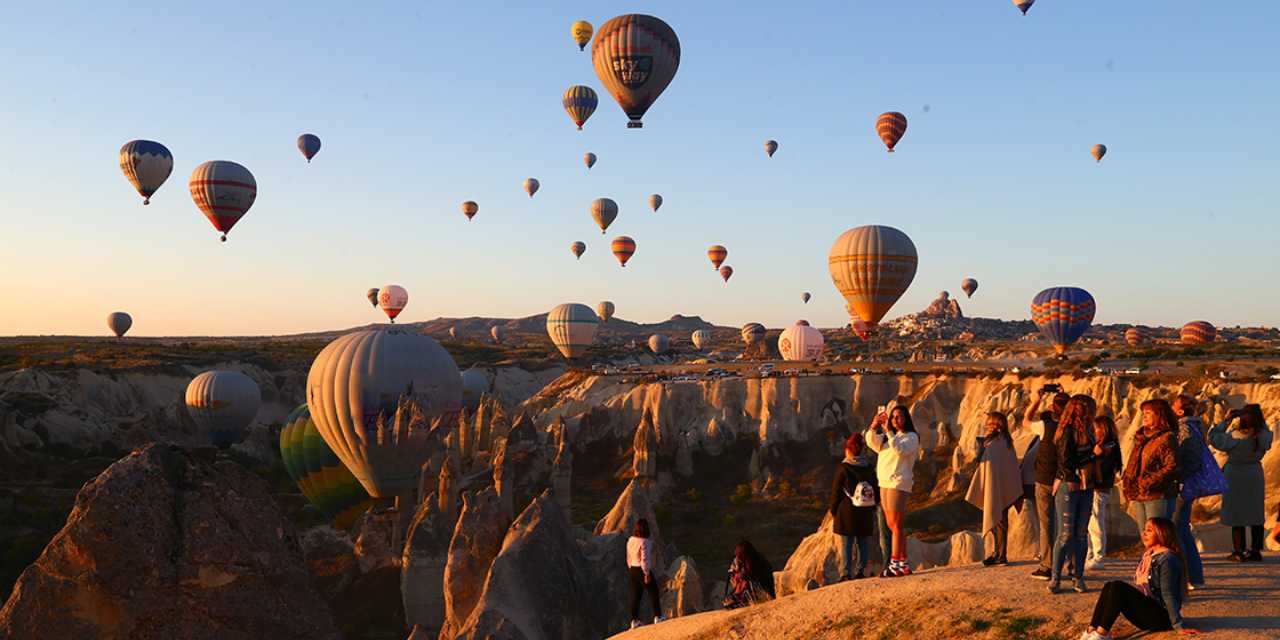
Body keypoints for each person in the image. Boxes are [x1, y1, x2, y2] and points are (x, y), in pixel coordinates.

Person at [1078, 517, 1198, 639]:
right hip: (1148, 612)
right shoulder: (1149, 555)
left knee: (1119, 587)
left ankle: (1101, 635)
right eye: (1144, 529)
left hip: (1162, 618)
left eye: (1149, 530)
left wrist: (1178, 625)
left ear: (1162, 533)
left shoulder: (1167, 559)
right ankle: (1091, 630)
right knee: (1110, 585)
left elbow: (1168, 594)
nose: (1144, 533)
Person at [1208, 404, 1274, 562]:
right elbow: (1264, 430)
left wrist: (1227, 420)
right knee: (1255, 512)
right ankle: (1256, 551)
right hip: (1254, 474)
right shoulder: (1263, 436)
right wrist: (1259, 420)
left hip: (1234, 474)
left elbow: (1213, 436)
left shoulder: (1234, 436)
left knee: (1237, 513)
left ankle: (1239, 551)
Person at [1049, 394, 1097, 594]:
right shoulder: (1067, 431)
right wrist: (1094, 454)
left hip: (1086, 485)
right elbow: (1065, 460)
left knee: (1080, 534)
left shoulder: (1088, 430)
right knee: (1066, 534)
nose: (1089, 413)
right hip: (1070, 486)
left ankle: (1078, 576)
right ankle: (1056, 577)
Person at [866, 404, 921, 577]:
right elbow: (871, 442)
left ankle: (895, 564)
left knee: (896, 525)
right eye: (893, 417)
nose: (895, 420)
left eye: (899, 417)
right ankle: (902, 564)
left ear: (906, 419)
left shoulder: (911, 437)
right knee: (891, 525)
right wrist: (874, 426)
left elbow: (900, 450)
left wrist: (889, 432)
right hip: (884, 482)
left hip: (899, 483)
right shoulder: (888, 438)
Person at [1023, 389, 1071, 580]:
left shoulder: (1046, 425)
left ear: (1054, 407)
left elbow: (1025, 421)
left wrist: (1036, 401)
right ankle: (1068, 564)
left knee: (1047, 524)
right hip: (1066, 479)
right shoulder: (1072, 427)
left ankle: (1047, 566)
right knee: (1065, 523)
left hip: (1045, 479)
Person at [966, 411, 1023, 566]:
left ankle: (1001, 555)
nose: (988, 426)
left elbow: (992, 466)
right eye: (988, 424)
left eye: (992, 424)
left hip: (997, 488)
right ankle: (997, 553)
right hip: (1000, 487)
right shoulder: (1002, 442)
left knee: (999, 521)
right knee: (998, 522)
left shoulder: (997, 444)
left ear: (999, 426)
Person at [1122, 399, 1179, 529]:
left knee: (1158, 534)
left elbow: (1172, 466)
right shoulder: (1142, 437)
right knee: (1145, 535)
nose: (1144, 416)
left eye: (1148, 413)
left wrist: (1148, 482)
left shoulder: (1167, 438)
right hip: (1139, 493)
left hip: (1157, 494)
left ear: (1159, 415)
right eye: (1143, 413)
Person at [828, 433, 878, 580]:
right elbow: (876, 487)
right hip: (865, 510)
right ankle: (861, 571)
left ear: (849, 449)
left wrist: (834, 510)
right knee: (863, 542)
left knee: (847, 544)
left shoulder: (844, 468)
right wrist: (873, 507)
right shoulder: (868, 467)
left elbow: (836, 491)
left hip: (847, 511)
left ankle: (846, 573)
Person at [1172, 395, 1208, 587]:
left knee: (1178, 531)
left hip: (1182, 484)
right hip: (1188, 483)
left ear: (1180, 411)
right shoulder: (1195, 426)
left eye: (1174, 406)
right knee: (1183, 529)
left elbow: (1188, 459)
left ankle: (1188, 577)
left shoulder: (1184, 428)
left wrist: (1178, 478)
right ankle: (1194, 576)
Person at [1085, 414, 1123, 570]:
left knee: (1095, 522)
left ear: (1103, 429)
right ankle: (1089, 554)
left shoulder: (1108, 447)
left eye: (1096, 428)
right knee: (1090, 523)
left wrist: (1095, 455)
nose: (1093, 431)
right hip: (1097, 488)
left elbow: (1103, 469)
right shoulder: (1108, 445)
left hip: (1098, 489)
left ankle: (1099, 557)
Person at [626, 519, 663, 629]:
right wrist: (646, 573)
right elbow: (645, 559)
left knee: (635, 596)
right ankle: (658, 616)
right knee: (654, 592)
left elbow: (628, 556)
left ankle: (634, 621)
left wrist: (631, 568)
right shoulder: (645, 542)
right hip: (642, 570)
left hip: (632, 569)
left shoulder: (631, 540)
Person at [722, 540, 775, 609]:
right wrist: (735, 574)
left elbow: (749, 575)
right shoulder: (739, 561)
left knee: (745, 580)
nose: (738, 558)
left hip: (763, 591)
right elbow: (733, 573)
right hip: (750, 588)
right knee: (740, 578)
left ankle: (740, 598)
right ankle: (738, 597)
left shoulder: (758, 562)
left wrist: (741, 576)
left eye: (740, 556)